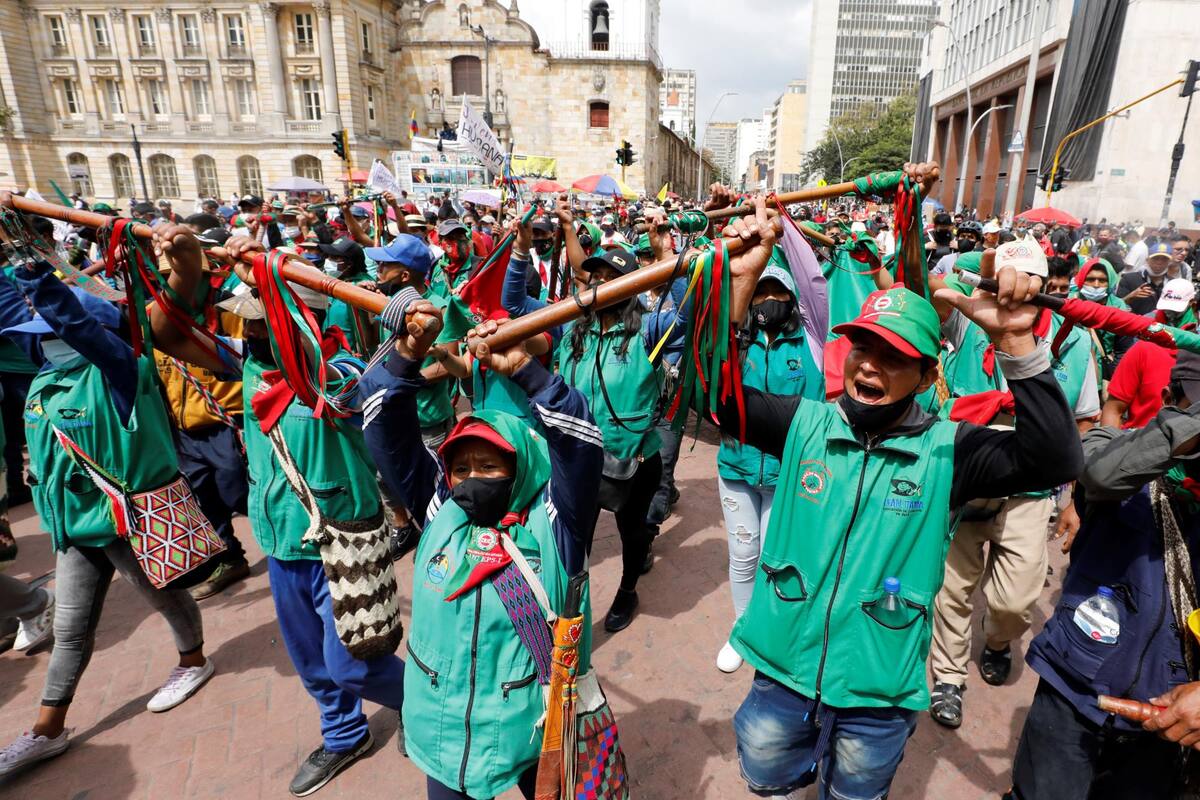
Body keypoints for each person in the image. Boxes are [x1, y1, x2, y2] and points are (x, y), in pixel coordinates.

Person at [717, 189, 1081, 799]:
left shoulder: (951, 450)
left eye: (894, 357)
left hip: (878, 685)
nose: (869, 367)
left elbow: (1053, 458)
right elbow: (716, 398)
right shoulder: (803, 424)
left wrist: (1019, 345)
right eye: (862, 347)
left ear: (929, 375)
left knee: (855, 794)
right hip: (782, 665)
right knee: (768, 777)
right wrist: (739, 289)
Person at [150, 227, 405, 797]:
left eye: (262, 319)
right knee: (313, 664)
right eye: (250, 321)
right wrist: (187, 268)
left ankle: (426, 704)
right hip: (281, 545)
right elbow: (165, 332)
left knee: (355, 665)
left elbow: (365, 394)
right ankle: (344, 735)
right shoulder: (246, 364)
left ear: (295, 320)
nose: (249, 329)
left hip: (341, 543)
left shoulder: (338, 374)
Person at [359, 301, 604, 800]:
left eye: (490, 468)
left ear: (521, 471)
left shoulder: (554, 524)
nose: (471, 480)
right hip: (445, 735)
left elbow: (579, 444)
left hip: (536, 728)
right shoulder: (439, 511)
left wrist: (524, 371)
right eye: (461, 467)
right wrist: (407, 352)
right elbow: (383, 425)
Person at [0, 258, 213, 777]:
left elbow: (74, 325)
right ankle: (47, 730)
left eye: (50, 332)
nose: (40, 342)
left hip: (127, 521)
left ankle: (193, 662)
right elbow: (20, 319)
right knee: (70, 628)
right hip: (74, 528)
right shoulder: (47, 376)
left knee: (163, 596)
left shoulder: (121, 371)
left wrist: (37, 279)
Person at [1008, 351, 1200, 800]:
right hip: (1073, 690)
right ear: (1170, 399)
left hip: (1169, 713)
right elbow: (1099, 476)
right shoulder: (1110, 445)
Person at [714, 259, 824, 674]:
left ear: (793, 299)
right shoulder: (735, 344)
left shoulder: (810, 343)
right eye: (761, 293)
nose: (770, 301)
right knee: (743, 553)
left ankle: (770, 631)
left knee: (773, 557)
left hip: (786, 473)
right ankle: (743, 630)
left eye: (779, 294)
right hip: (737, 469)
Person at [152, 251, 252, 601]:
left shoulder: (232, 314)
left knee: (239, 493)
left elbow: (254, 360)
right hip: (183, 431)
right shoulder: (155, 318)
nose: (173, 284)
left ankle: (298, 546)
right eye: (165, 277)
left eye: (180, 276)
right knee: (201, 497)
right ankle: (230, 557)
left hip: (228, 424)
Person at [1101, 278, 1195, 430]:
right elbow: (1114, 409)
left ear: (1193, 306)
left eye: (1177, 311)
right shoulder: (1142, 349)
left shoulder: (1194, 353)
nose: (1170, 315)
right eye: (1166, 309)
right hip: (1140, 443)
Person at [1118, 241, 1174, 314]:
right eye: (1155, 258)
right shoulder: (1129, 279)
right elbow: (1115, 306)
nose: (1159, 262)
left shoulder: (1173, 283)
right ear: (1147, 260)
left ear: (1169, 262)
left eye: (1164, 259)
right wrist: (1130, 297)